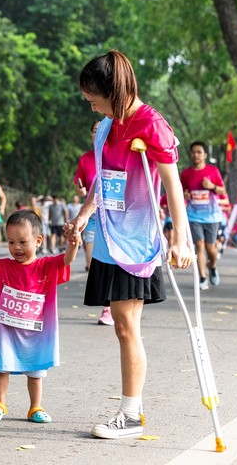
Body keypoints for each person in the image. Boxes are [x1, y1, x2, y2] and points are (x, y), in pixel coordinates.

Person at [65, 50, 191, 439]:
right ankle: (131, 410)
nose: (91, 106)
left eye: (94, 98)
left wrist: (180, 239)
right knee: (123, 325)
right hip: (107, 234)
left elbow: (173, 187)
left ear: (113, 92)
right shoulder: (107, 125)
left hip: (136, 239)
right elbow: (105, 178)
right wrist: (85, 214)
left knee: (125, 325)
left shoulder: (151, 125)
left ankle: (132, 414)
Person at [0, 209, 79, 424]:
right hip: (8, 333)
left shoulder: (46, 266)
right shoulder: (3, 267)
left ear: (38, 240)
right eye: (11, 242)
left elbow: (66, 260)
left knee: (36, 372)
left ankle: (35, 407)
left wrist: (73, 243)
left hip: (37, 334)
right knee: (2, 368)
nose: (16, 248)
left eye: (22, 241)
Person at [74, 120, 113, 325]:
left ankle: (112, 306)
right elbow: (80, 186)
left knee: (111, 262)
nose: (99, 134)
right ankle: (107, 306)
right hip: (92, 217)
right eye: (95, 131)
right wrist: (81, 193)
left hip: (114, 216)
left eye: (103, 130)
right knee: (93, 263)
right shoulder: (86, 159)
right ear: (91, 135)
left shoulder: (116, 154)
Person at [179, 141, 226, 290]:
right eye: (193, 152)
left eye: (199, 152)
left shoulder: (213, 171)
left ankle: (212, 265)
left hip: (212, 216)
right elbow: (181, 192)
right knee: (199, 245)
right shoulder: (186, 173)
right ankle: (202, 277)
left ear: (205, 155)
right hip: (193, 216)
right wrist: (185, 194)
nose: (196, 155)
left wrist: (212, 186)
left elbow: (222, 191)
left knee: (210, 248)